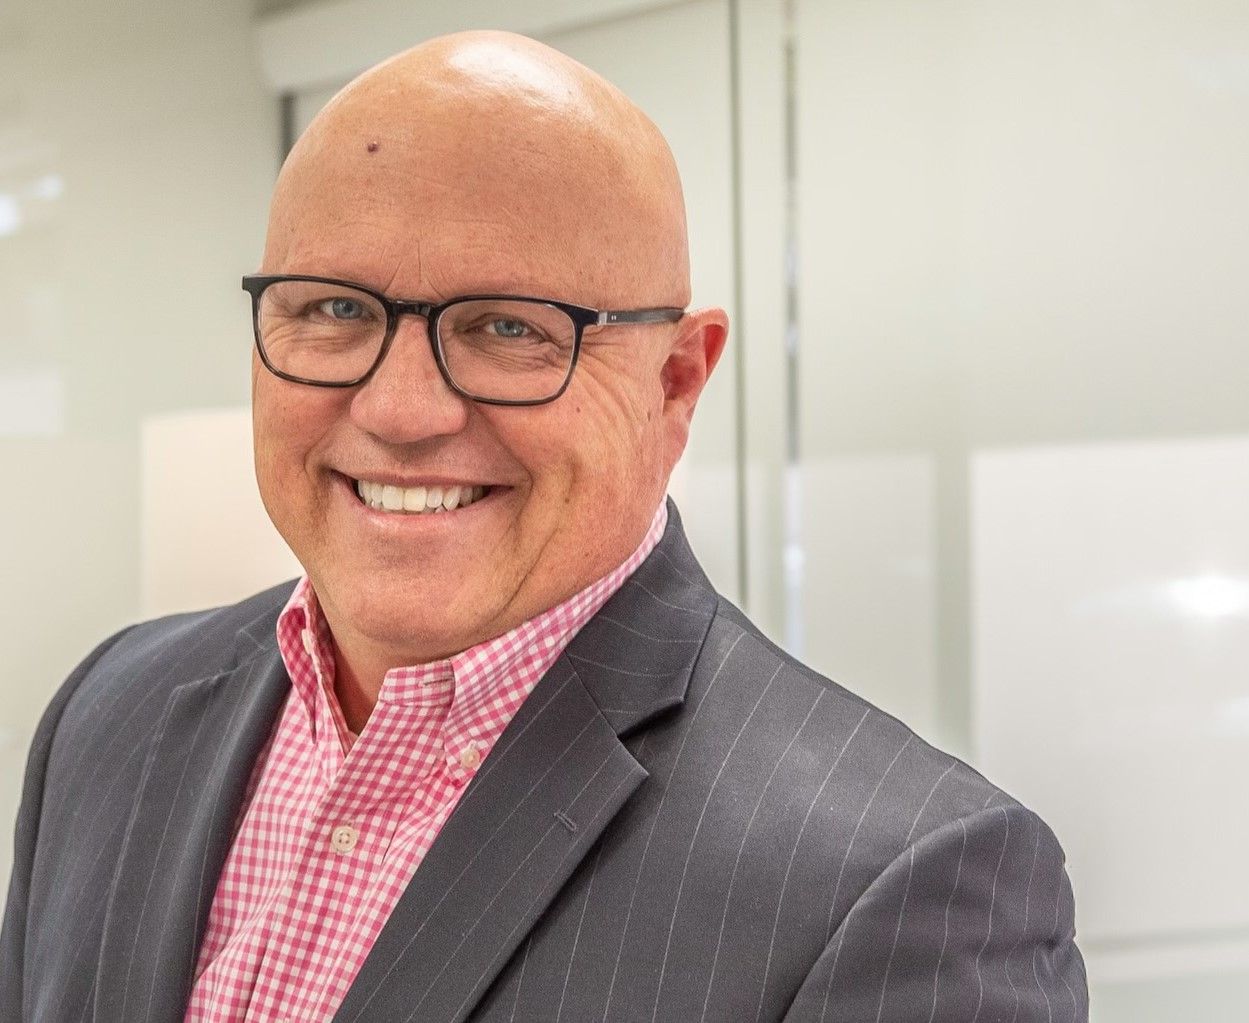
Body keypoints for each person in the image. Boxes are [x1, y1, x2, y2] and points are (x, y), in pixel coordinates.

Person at [1, 30, 1087, 1023]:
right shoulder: (111, 712)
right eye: (334, 309)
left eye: (510, 328)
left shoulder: (902, 887)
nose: (401, 410)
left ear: (675, 381)